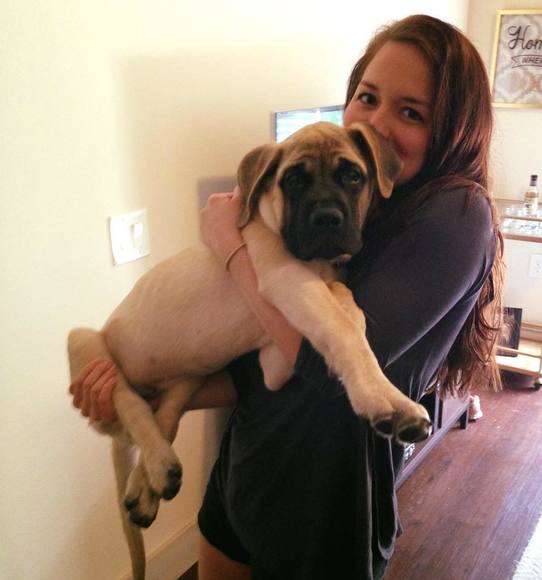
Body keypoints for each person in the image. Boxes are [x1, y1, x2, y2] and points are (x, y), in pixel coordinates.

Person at [70, 14, 504, 580]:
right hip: (247, 468)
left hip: (326, 503)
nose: (377, 122)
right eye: (367, 97)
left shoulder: (457, 214)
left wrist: (233, 247)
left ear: (454, 127)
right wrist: (147, 398)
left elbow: (327, 366)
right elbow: (263, 362)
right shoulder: (364, 202)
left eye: (411, 112)